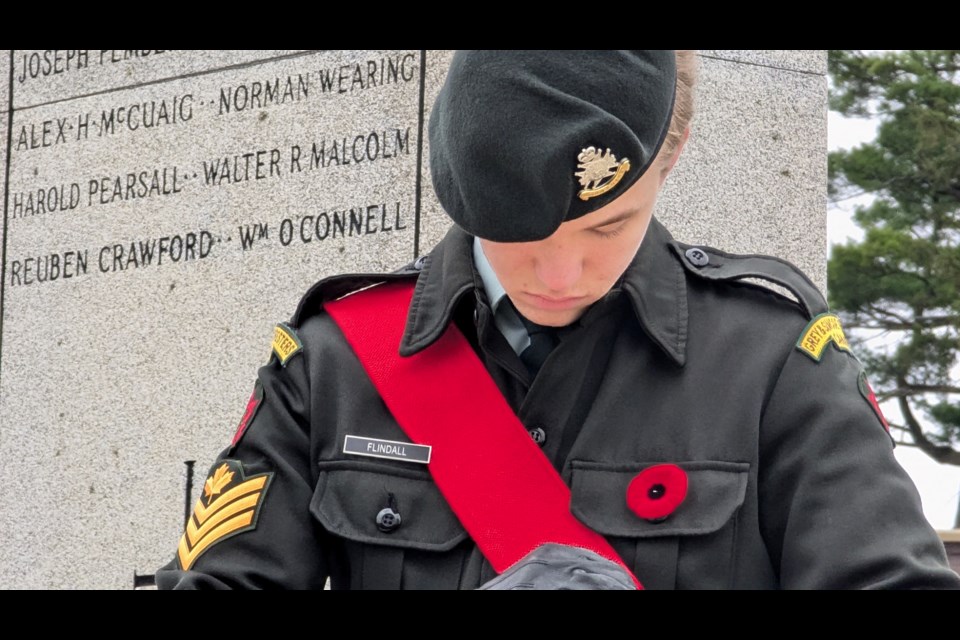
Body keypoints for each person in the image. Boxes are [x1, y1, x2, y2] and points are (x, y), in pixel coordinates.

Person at [156, 50, 960, 589]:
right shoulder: (334, 364)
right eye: (520, 232)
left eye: (609, 226)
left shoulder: (775, 363)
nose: (562, 272)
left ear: (667, 156)